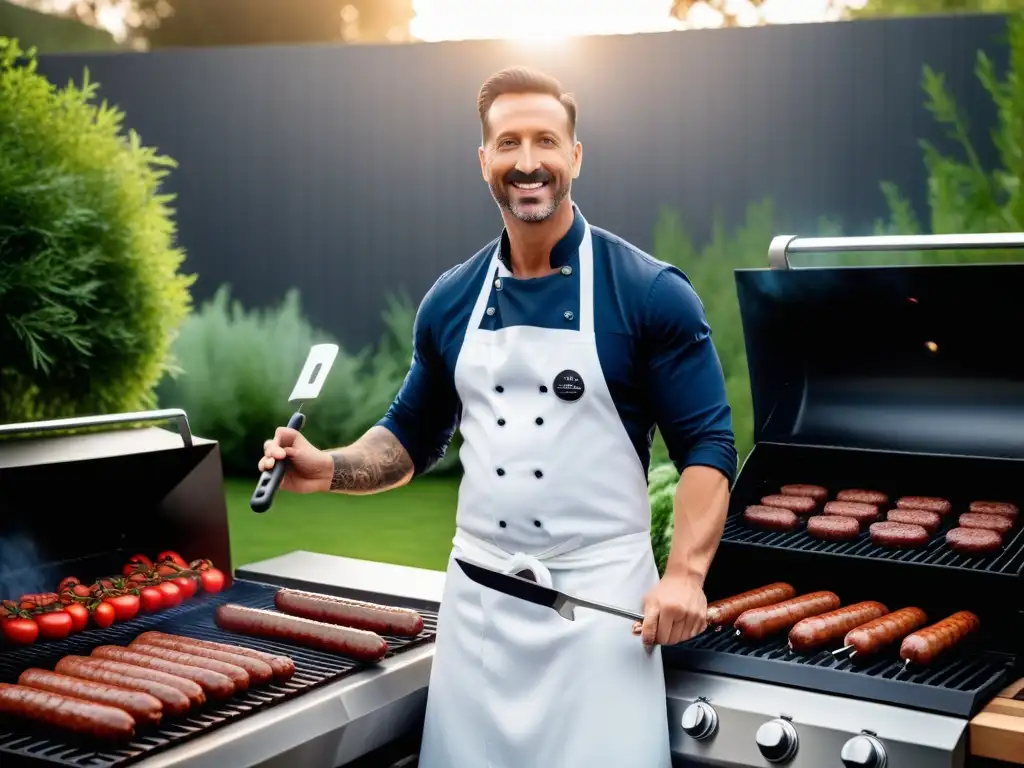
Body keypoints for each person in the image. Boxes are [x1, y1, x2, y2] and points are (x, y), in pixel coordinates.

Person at [258, 65, 736, 768]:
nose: (528, 161)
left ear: (575, 155)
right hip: (477, 622)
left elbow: (708, 444)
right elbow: (411, 438)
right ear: (484, 161)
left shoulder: (649, 294)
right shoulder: (451, 300)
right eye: (508, 142)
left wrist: (685, 575)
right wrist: (326, 467)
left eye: (546, 139)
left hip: (600, 620)